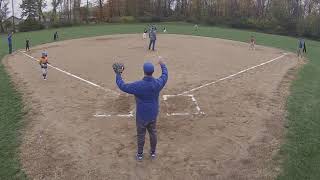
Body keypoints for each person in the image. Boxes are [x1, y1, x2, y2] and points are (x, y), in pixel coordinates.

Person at [114, 57, 168, 161]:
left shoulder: (138, 85)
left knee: (141, 135)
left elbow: (122, 86)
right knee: (153, 133)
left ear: (144, 71)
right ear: (152, 72)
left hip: (142, 116)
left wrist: (118, 74)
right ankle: (152, 153)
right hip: (153, 114)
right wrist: (162, 64)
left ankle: (140, 155)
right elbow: (165, 75)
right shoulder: (158, 83)